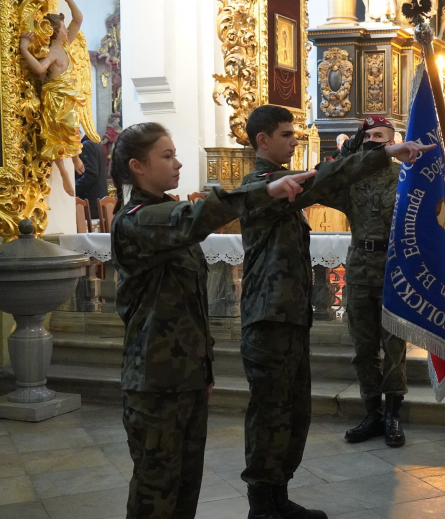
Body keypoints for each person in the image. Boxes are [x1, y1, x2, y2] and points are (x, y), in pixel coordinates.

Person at [238, 105, 434, 519]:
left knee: (292, 411)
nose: (296, 140)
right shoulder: (264, 183)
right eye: (288, 135)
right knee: (272, 411)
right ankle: (263, 503)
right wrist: (377, 152)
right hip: (270, 316)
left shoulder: (284, 180)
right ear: (262, 140)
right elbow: (326, 180)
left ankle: (277, 497)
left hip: (291, 314)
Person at [110, 122, 314, 519]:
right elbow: (194, 216)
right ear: (137, 166)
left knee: (185, 492)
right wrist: (263, 190)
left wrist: (203, 374)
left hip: (184, 379)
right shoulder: (137, 220)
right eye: (166, 156)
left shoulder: (164, 215)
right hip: (154, 385)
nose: (178, 162)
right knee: (156, 496)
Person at [323, 116, 408, 447]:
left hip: (393, 268)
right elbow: (324, 183)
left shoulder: (404, 177)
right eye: (368, 136)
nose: (374, 141)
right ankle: (372, 412)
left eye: (380, 136)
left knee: (394, 347)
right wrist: (350, 150)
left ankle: (393, 415)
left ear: (393, 141)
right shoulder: (352, 180)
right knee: (364, 347)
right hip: (360, 268)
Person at [20, 0, 88, 196]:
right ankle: (64, 172)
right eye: (63, 29)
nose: (67, 31)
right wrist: (24, 49)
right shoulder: (52, 52)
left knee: (72, 127)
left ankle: (75, 158)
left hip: (68, 97)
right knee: (55, 135)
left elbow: (78, 18)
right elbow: (40, 68)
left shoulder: (65, 47)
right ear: (56, 32)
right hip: (54, 98)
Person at [76, 132, 108, 219]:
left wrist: (74, 189)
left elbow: (91, 174)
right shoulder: (94, 143)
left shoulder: (86, 146)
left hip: (91, 200)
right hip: (97, 199)